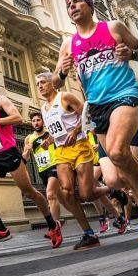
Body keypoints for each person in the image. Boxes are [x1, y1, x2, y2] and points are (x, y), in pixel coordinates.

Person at [54, 0, 138, 253]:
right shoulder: (68, 44)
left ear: (89, 6)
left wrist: (130, 54)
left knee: (117, 151)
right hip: (96, 107)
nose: (72, 6)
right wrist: (63, 70)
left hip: (124, 94)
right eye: (68, 5)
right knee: (115, 178)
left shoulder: (112, 27)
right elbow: (56, 82)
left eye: (76, 1)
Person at [0, 77, 62, 248]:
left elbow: (18, 118)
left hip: (8, 153)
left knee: (29, 191)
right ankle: (0, 229)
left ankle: (52, 224)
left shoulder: (1, 100)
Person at [36, 72, 103, 250]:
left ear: (52, 83)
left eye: (43, 82)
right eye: (38, 84)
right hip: (61, 151)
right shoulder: (43, 108)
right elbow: (56, 129)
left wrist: (75, 132)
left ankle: (114, 189)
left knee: (87, 194)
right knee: (65, 192)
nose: (40, 86)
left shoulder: (65, 96)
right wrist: (49, 140)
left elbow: (88, 116)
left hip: (80, 146)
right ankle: (89, 234)